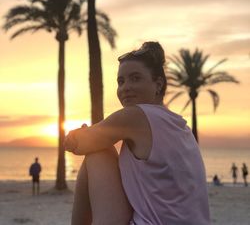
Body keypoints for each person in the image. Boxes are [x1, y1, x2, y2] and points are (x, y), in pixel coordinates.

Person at [65, 41, 210, 225]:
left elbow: (77, 144)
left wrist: (82, 134)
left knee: (99, 151)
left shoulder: (135, 115)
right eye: (121, 81)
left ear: (158, 84)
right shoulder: (181, 127)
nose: (125, 87)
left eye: (135, 78)